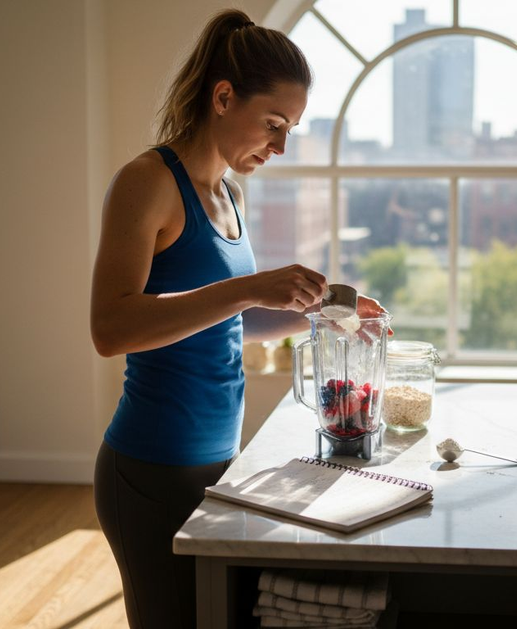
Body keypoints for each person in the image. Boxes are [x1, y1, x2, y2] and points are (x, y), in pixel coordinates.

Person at [89, 9, 385, 628]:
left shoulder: (229, 194)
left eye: (291, 129)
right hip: (148, 470)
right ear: (223, 97)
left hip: (220, 457)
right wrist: (250, 286)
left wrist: (327, 312)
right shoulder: (146, 183)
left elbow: (229, 321)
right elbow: (111, 329)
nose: (279, 146)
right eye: (273, 124)